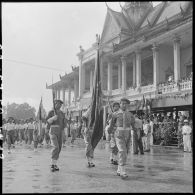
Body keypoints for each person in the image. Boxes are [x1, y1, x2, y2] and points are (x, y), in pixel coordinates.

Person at [109, 98, 135, 179]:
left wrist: (136, 132)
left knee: (125, 152)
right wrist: (110, 133)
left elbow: (133, 125)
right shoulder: (115, 114)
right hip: (119, 135)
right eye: (122, 103)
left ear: (128, 105)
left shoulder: (130, 114)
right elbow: (111, 125)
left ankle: (119, 170)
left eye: (125, 104)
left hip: (127, 135)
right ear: (120, 104)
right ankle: (123, 171)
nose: (124, 105)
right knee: (122, 151)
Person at [46, 99, 66, 172]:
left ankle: (55, 163)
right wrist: (52, 118)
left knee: (59, 147)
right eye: (58, 104)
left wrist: (64, 134)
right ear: (55, 104)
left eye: (61, 104)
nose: (60, 105)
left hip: (60, 131)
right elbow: (47, 121)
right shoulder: (51, 112)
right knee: (56, 147)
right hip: (53, 130)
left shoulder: (62, 113)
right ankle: (52, 164)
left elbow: (64, 124)